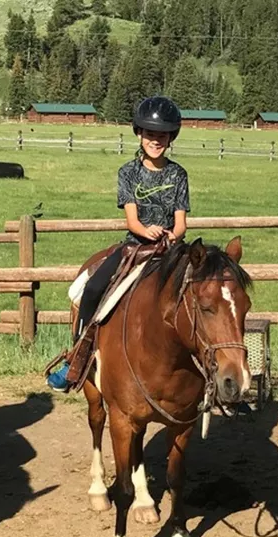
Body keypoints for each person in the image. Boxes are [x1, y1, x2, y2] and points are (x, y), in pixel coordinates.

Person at [46, 96, 190, 392]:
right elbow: (132, 221)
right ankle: (75, 359)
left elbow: (181, 223)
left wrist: (171, 236)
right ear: (139, 134)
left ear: (171, 137)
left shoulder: (178, 174)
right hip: (135, 246)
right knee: (94, 288)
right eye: (150, 134)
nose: (156, 140)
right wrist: (146, 231)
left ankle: (213, 371)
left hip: (171, 249)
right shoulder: (128, 172)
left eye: (162, 135)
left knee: (206, 293)